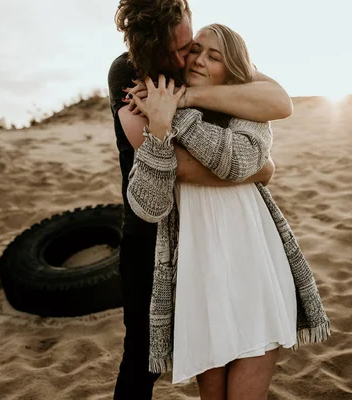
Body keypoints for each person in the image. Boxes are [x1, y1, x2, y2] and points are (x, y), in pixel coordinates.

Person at [125, 24, 331, 400]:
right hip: (198, 270)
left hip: (252, 257)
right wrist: (158, 125)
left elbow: (239, 160)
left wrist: (179, 108)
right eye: (196, 50)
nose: (200, 60)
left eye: (214, 56)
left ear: (232, 69)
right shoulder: (149, 109)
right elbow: (153, 200)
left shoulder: (248, 109)